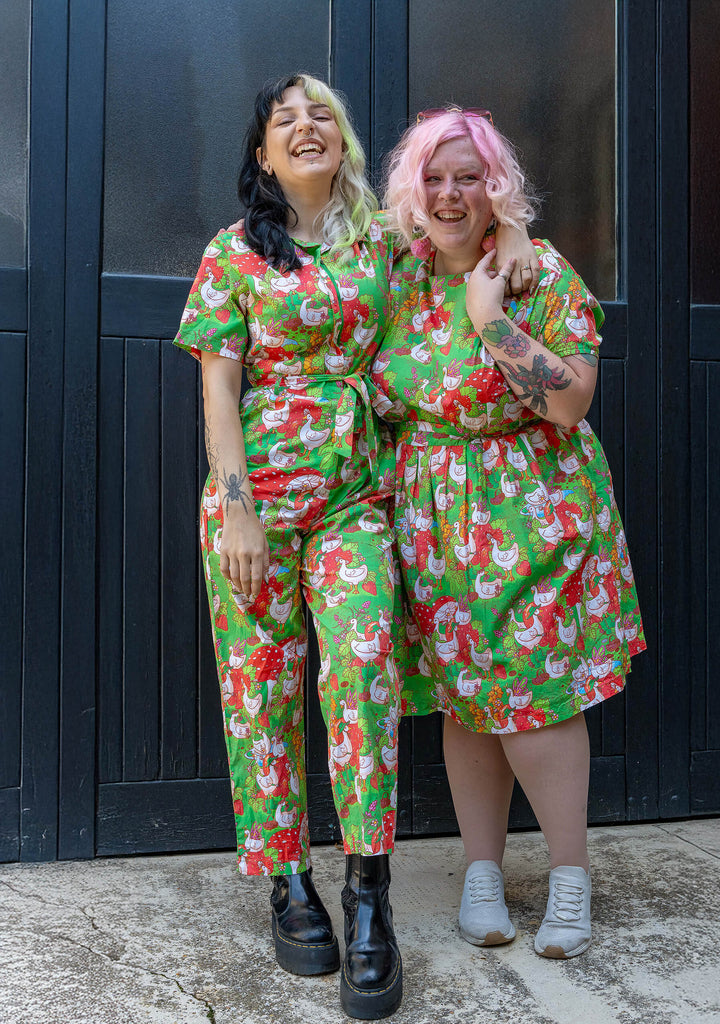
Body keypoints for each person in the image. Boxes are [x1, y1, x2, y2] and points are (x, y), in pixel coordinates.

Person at [374, 107, 646, 959]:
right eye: (435, 177)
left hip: (532, 510)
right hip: (433, 521)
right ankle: (482, 875)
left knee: (535, 693)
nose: (451, 193)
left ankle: (569, 881)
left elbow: (567, 402)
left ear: (498, 187)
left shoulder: (537, 276)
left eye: (470, 176)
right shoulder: (396, 275)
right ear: (412, 190)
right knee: (466, 698)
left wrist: (492, 319)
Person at [174, 73, 404, 1019]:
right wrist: (235, 511)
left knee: (360, 667)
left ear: (343, 142)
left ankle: (368, 891)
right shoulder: (232, 255)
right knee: (261, 687)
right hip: (256, 502)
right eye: (283, 121)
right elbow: (218, 391)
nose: (304, 129)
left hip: (357, 494)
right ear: (264, 157)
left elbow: (477, 226)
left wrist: (512, 248)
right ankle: (287, 882)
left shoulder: (386, 245)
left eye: (321, 116)